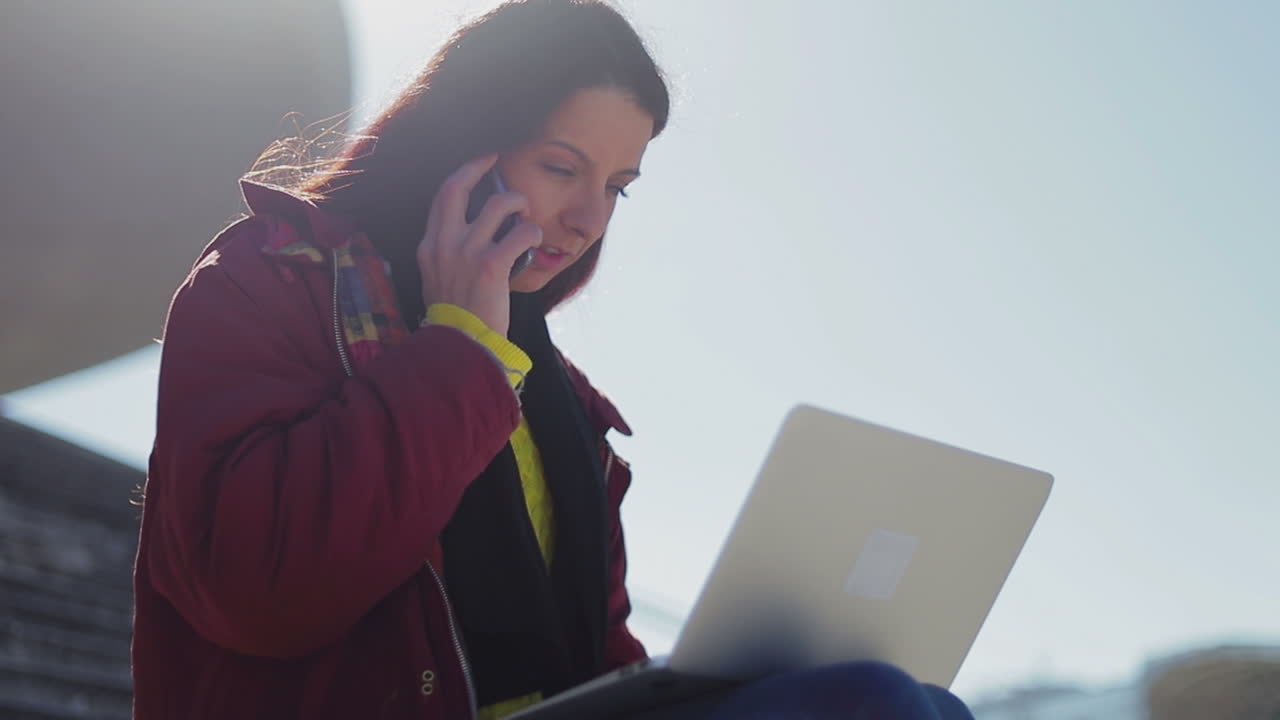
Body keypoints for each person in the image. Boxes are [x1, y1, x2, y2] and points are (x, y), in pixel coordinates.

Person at [131, 1, 976, 718]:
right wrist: (459, 344)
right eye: (561, 167)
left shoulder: (562, 401)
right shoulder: (269, 282)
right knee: (879, 704)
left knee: (923, 702)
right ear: (463, 141)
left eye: (616, 187)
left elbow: (599, 656)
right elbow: (257, 592)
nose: (586, 219)